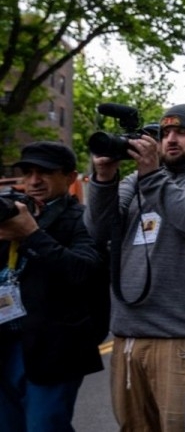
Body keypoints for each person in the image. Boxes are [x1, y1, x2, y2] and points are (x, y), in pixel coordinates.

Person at [84, 103, 185, 431]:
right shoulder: (133, 182)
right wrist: (103, 178)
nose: (170, 139)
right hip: (130, 335)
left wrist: (153, 175)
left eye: (182, 132)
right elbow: (98, 231)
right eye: (165, 132)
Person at [0, 141, 106, 432]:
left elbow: (83, 271)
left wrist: (32, 234)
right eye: (28, 172)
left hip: (54, 348)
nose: (34, 181)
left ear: (70, 177)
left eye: (45, 173)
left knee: (44, 426)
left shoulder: (83, 218)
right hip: (6, 342)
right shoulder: (14, 213)